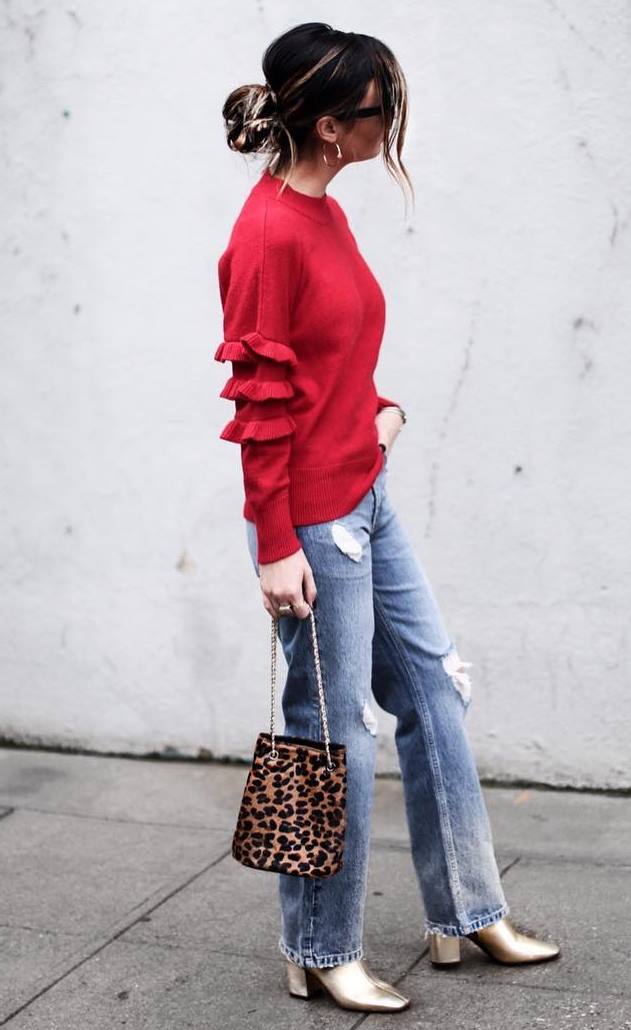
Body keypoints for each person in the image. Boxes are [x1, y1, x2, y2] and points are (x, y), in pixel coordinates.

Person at [214, 21, 560, 1014]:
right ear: (331, 126)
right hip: (311, 527)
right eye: (379, 111)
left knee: (434, 695)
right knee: (332, 737)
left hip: (364, 491)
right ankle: (320, 947)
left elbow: (327, 356)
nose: (390, 125)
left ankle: (468, 912)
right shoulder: (267, 232)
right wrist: (275, 544)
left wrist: (374, 406)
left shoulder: (323, 212)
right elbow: (257, 403)